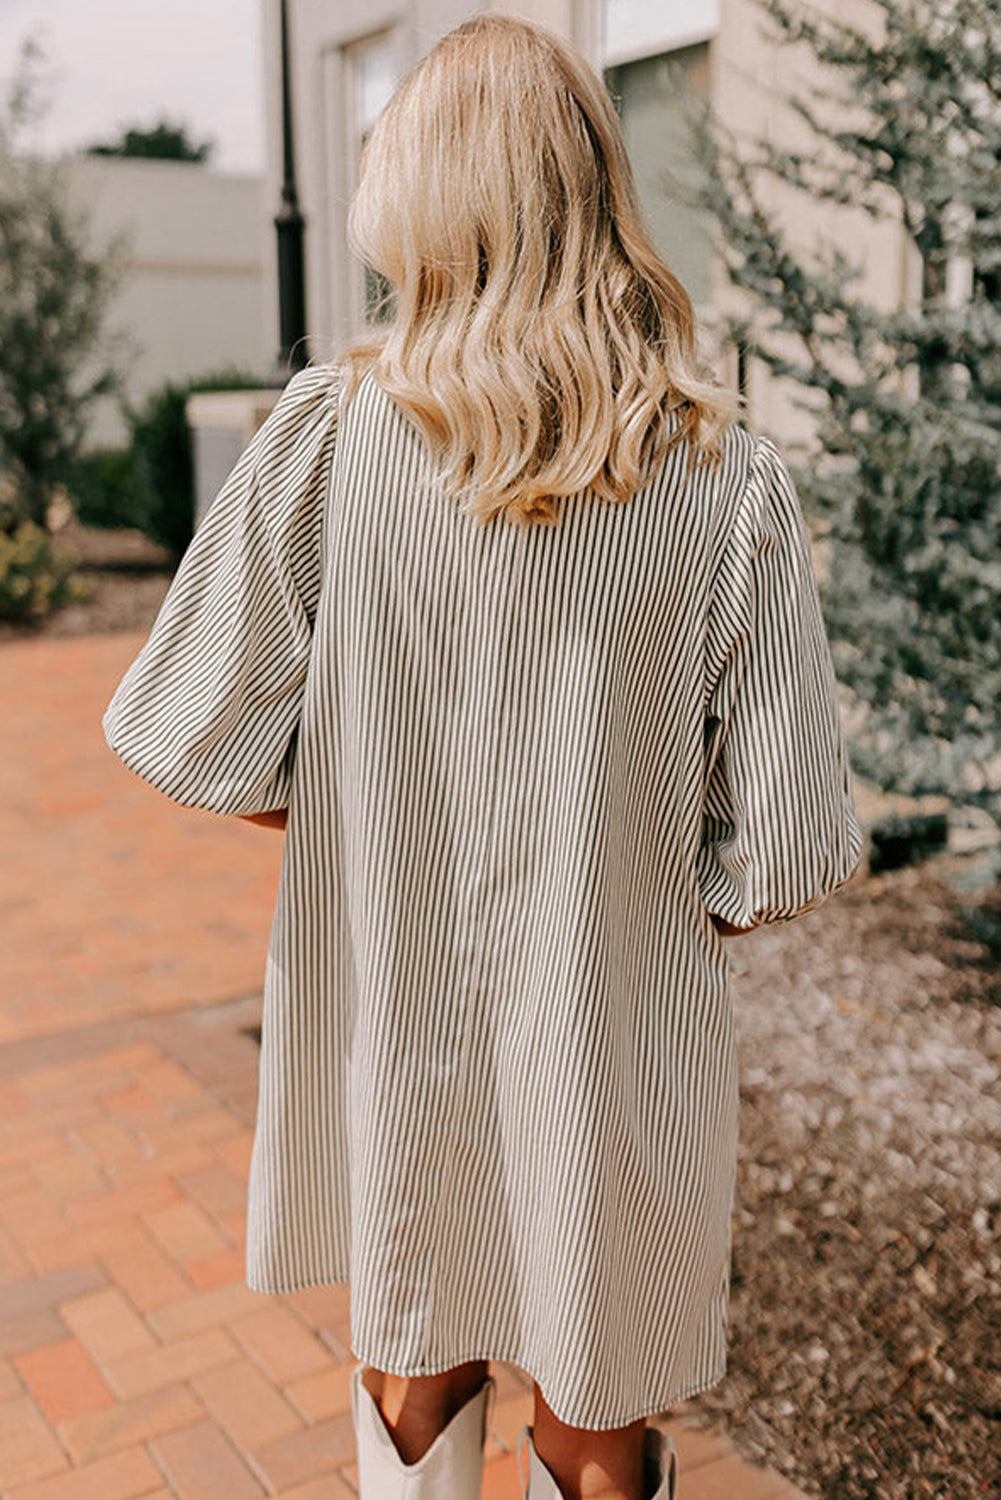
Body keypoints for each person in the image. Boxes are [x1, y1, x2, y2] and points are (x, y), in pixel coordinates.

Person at [103, 13, 862, 1500]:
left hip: (388, 1009)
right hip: (614, 1036)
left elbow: (183, 722)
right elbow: (778, 844)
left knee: (411, 1357)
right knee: (597, 1410)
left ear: (421, 195)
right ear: (592, 191)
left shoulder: (329, 434)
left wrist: (358, 822)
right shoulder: (725, 473)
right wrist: (638, 887)